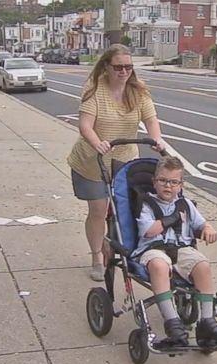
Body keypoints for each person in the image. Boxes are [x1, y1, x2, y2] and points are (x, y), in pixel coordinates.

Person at [68, 44, 165, 281]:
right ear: (107, 67)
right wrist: (97, 142)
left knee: (127, 210)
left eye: (128, 67)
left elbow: (152, 121)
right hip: (92, 161)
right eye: (119, 67)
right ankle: (96, 257)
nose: (124, 72)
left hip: (125, 160)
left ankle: (128, 250)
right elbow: (85, 125)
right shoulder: (94, 90)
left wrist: (157, 139)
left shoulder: (138, 92)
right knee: (99, 210)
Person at [132, 156, 217, 347]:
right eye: (162, 181)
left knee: (202, 265)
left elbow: (202, 224)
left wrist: (208, 229)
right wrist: (173, 218)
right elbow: (149, 231)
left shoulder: (186, 204)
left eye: (173, 182)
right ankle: (173, 324)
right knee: (159, 266)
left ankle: (207, 322)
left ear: (180, 185)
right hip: (154, 249)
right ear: (154, 182)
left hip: (182, 249)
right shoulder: (147, 204)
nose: (167, 186)